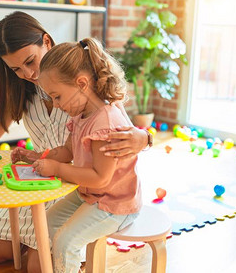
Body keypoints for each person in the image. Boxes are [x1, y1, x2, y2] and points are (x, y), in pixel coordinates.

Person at [0, 11, 149, 273]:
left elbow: (116, 133)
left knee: (39, 264)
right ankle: (47, 246)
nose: (28, 74)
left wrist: (145, 138)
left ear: (46, 41)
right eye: (16, 69)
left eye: (31, 61)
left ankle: (68, 251)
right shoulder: (19, 89)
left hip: (75, 183)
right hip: (40, 176)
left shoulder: (79, 78)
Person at [14, 37, 142, 273]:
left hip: (114, 203)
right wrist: (37, 157)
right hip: (92, 195)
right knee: (48, 221)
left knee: (66, 241)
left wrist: (58, 170)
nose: (56, 104)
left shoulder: (105, 122)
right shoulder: (81, 115)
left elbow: (100, 178)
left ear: (82, 83)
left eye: (57, 96)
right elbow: (66, 151)